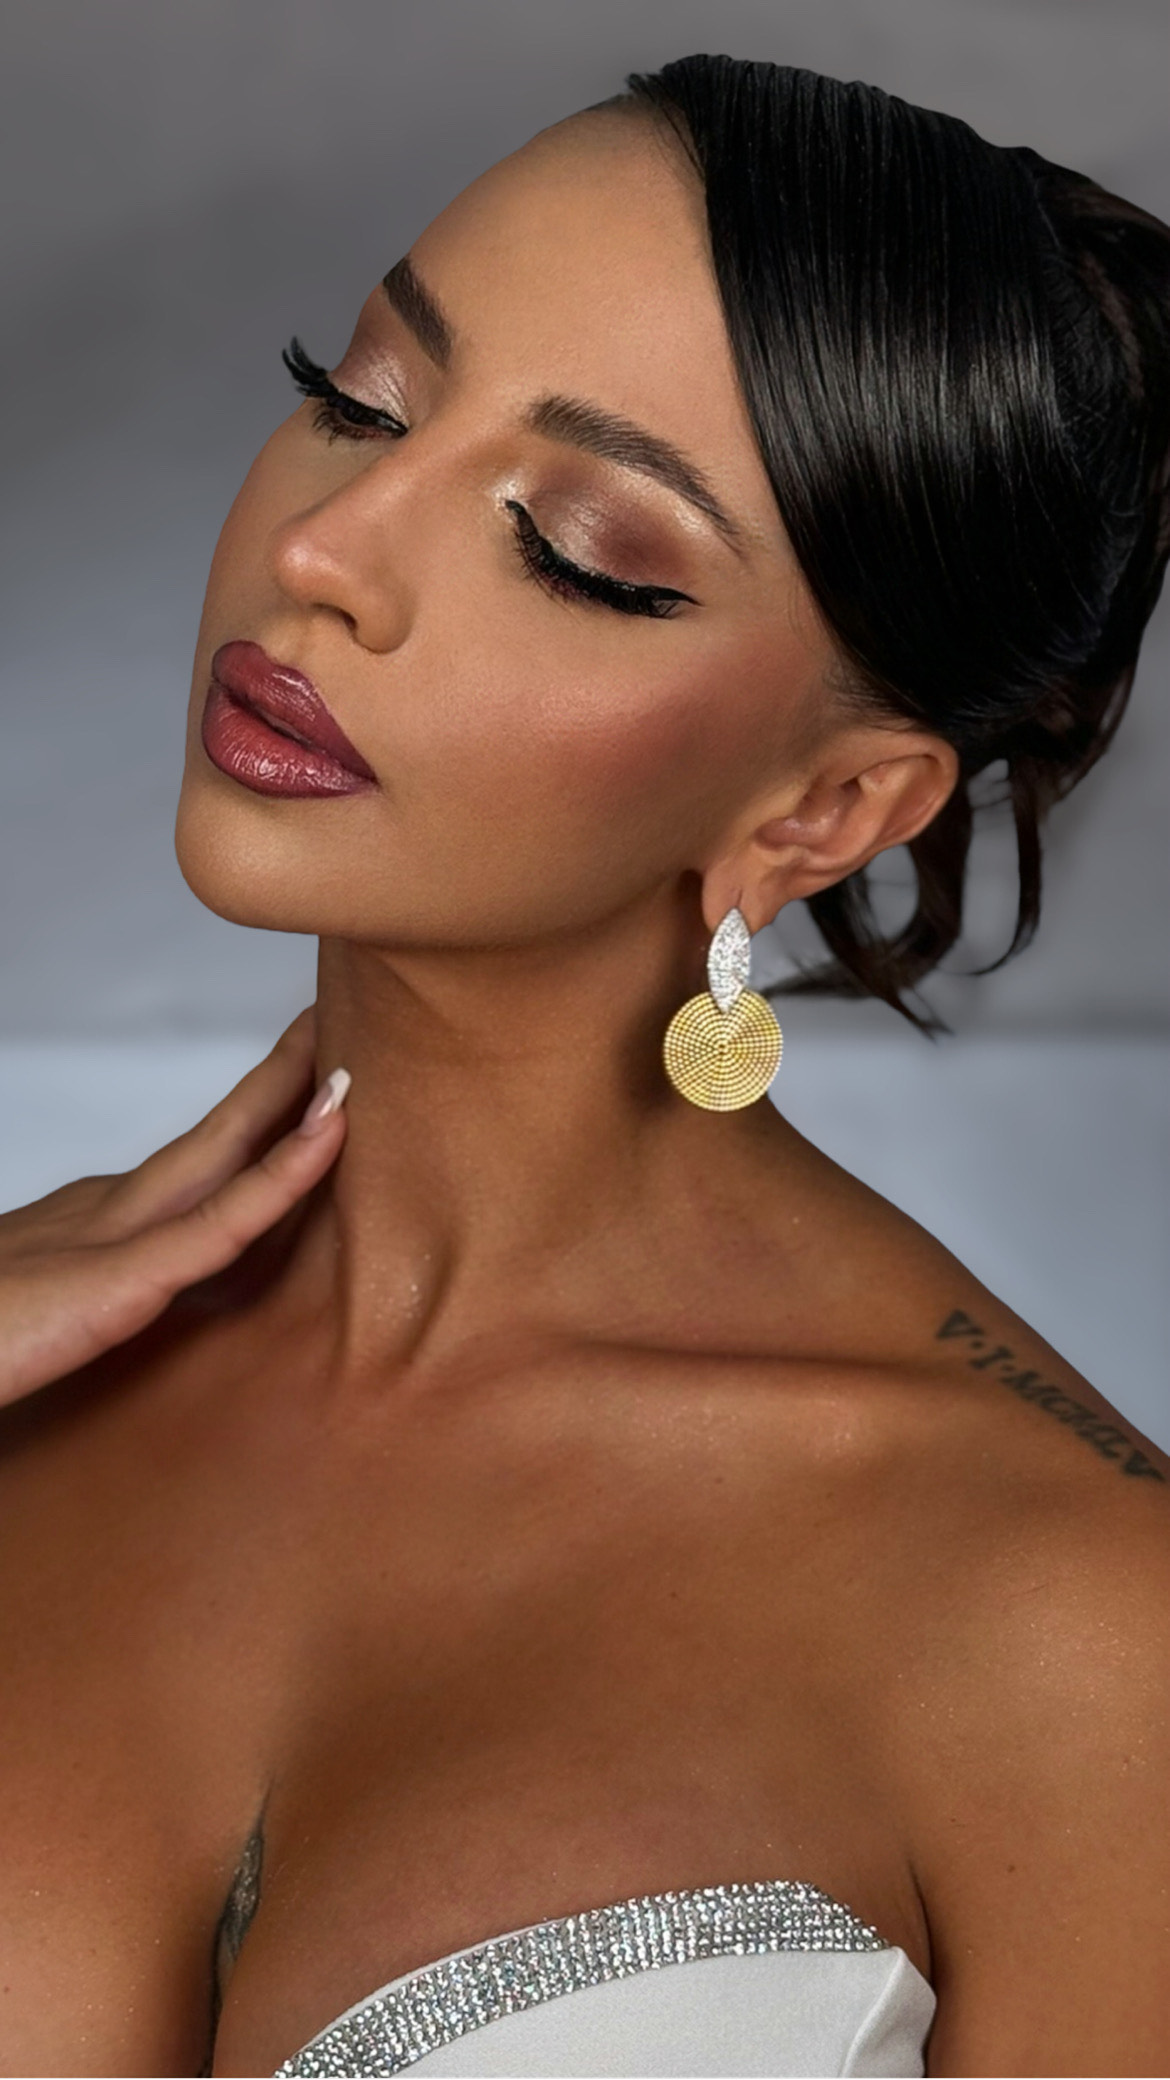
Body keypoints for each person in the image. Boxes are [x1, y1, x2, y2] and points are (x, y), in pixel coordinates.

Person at [0, 52, 1166, 2079]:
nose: (328, 546)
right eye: (360, 394)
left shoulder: (1088, 1634)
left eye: (574, 547)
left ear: (825, 810)